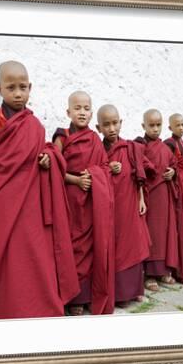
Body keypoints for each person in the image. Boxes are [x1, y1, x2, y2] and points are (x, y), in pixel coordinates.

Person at [0, 60, 79, 319]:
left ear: (30, 87)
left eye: (23, 87)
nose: (18, 93)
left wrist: (47, 158)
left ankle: (39, 307)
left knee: (35, 254)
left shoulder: (34, 124)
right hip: (4, 198)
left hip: (31, 200)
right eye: (11, 88)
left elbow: (43, 150)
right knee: (7, 257)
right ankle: (9, 309)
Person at [53, 91, 115, 316]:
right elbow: (55, 169)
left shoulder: (95, 140)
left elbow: (105, 167)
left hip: (91, 201)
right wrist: (77, 180)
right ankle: (71, 297)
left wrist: (98, 174)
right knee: (71, 246)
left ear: (91, 112)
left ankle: (86, 295)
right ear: (68, 112)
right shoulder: (62, 136)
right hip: (70, 200)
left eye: (86, 108)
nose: (82, 112)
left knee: (90, 247)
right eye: (77, 108)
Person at [96, 104, 150, 306]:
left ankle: (134, 290)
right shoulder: (98, 148)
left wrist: (141, 199)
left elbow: (139, 176)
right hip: (109, 206)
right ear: (98, 127)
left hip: (129, 202)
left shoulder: (130, 148)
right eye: (106, 124)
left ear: (121, 123)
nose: (111, 128)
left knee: (133, 244)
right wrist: (107, 168)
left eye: (115, 123)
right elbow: (93, 170)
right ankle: (118, 293)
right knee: (114, 247)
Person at [134, 109, 183, 291]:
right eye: (151, 125)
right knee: (152, 234)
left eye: (158, 125)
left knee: (165, 233)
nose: (155, 129)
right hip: (149, 197)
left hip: (165, 196)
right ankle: (149, 275)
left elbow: (173, 165)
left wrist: (173, 172)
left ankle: (163, 271)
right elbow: (138, 168)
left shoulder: (165, 148)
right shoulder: (140, 146)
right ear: (143, 126)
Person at [163, 113, 183, 283]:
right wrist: (173, 173)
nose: (181, 128)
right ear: (170, 128)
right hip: (175, 191)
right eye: (178, 125)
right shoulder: (168, 144)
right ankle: (176, 268)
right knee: (176, 229)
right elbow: (167, 164)